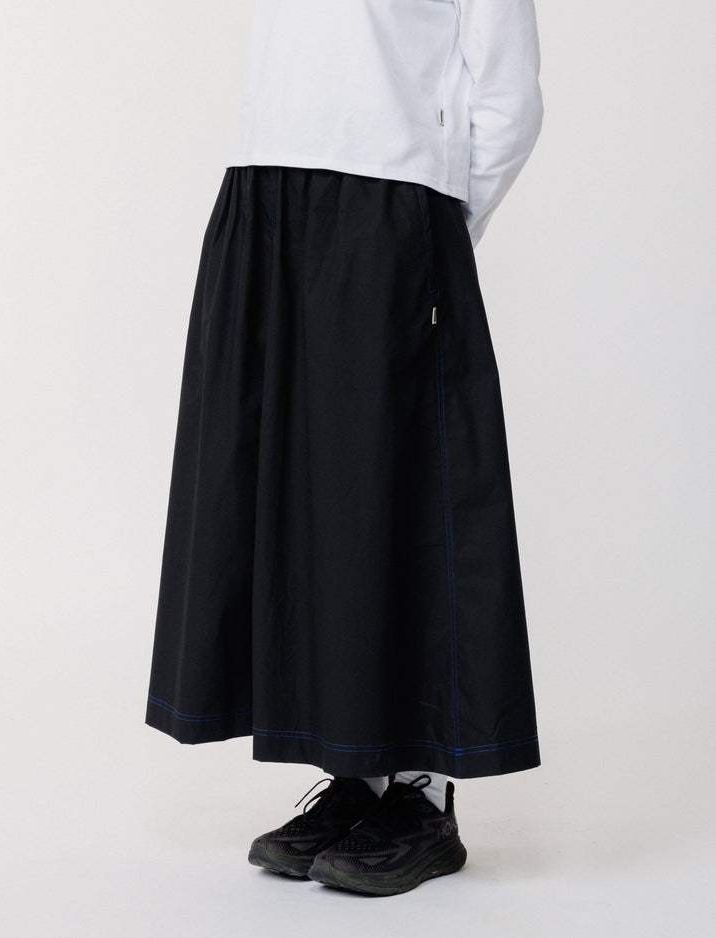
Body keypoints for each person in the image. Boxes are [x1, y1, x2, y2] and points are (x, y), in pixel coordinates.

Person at [145, 0, 544, 897]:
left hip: (388, 203)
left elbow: (510, 98)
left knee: (393, 493)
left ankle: (421, 797)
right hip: (266, 196)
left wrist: (428, 223)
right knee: (302, 499)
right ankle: (355, 772)